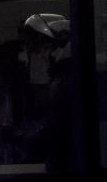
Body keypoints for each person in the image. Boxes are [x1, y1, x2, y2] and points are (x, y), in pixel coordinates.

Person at [11, 13, 76, 170]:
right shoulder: (67, 80)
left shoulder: (64, 84)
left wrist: (17, 137)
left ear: (62, 44)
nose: (42, 56)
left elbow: (53, 136)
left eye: (45, 48)